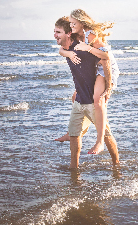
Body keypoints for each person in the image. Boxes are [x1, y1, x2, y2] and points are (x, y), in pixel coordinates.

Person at [54, 16, 119, 168]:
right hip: (79, 100)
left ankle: (116, 164)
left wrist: (108, 87)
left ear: (68, 33)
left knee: (107, 135)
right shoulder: (67, 49)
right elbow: (61, 51)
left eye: (58, 32)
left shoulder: (84, 46)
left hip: (92, 100)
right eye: (54, 31)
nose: (55, 35)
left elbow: (105, 61)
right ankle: (73, 168)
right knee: (74, 135)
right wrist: (67, 54)